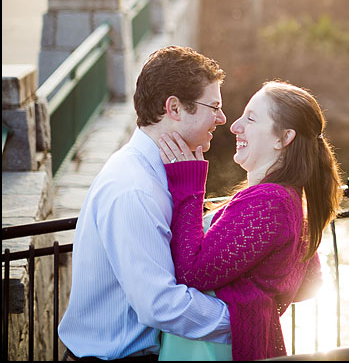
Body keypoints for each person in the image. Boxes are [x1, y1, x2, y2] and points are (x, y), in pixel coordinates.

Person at [58, 46, 233, 361]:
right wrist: (242, 320)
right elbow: (160, 304)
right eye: (214, 106)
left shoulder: (159, 173)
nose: (221, 118)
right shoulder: (134, 188)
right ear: (175, 108)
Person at [156, 80, 343, 361]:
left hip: (216, 351)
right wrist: (254, 290)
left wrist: (189, 185)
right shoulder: (288, 197)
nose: (235, 126)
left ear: (283, 138)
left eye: (251, 119)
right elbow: (308, 283)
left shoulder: (270, 202)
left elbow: (191, 273)